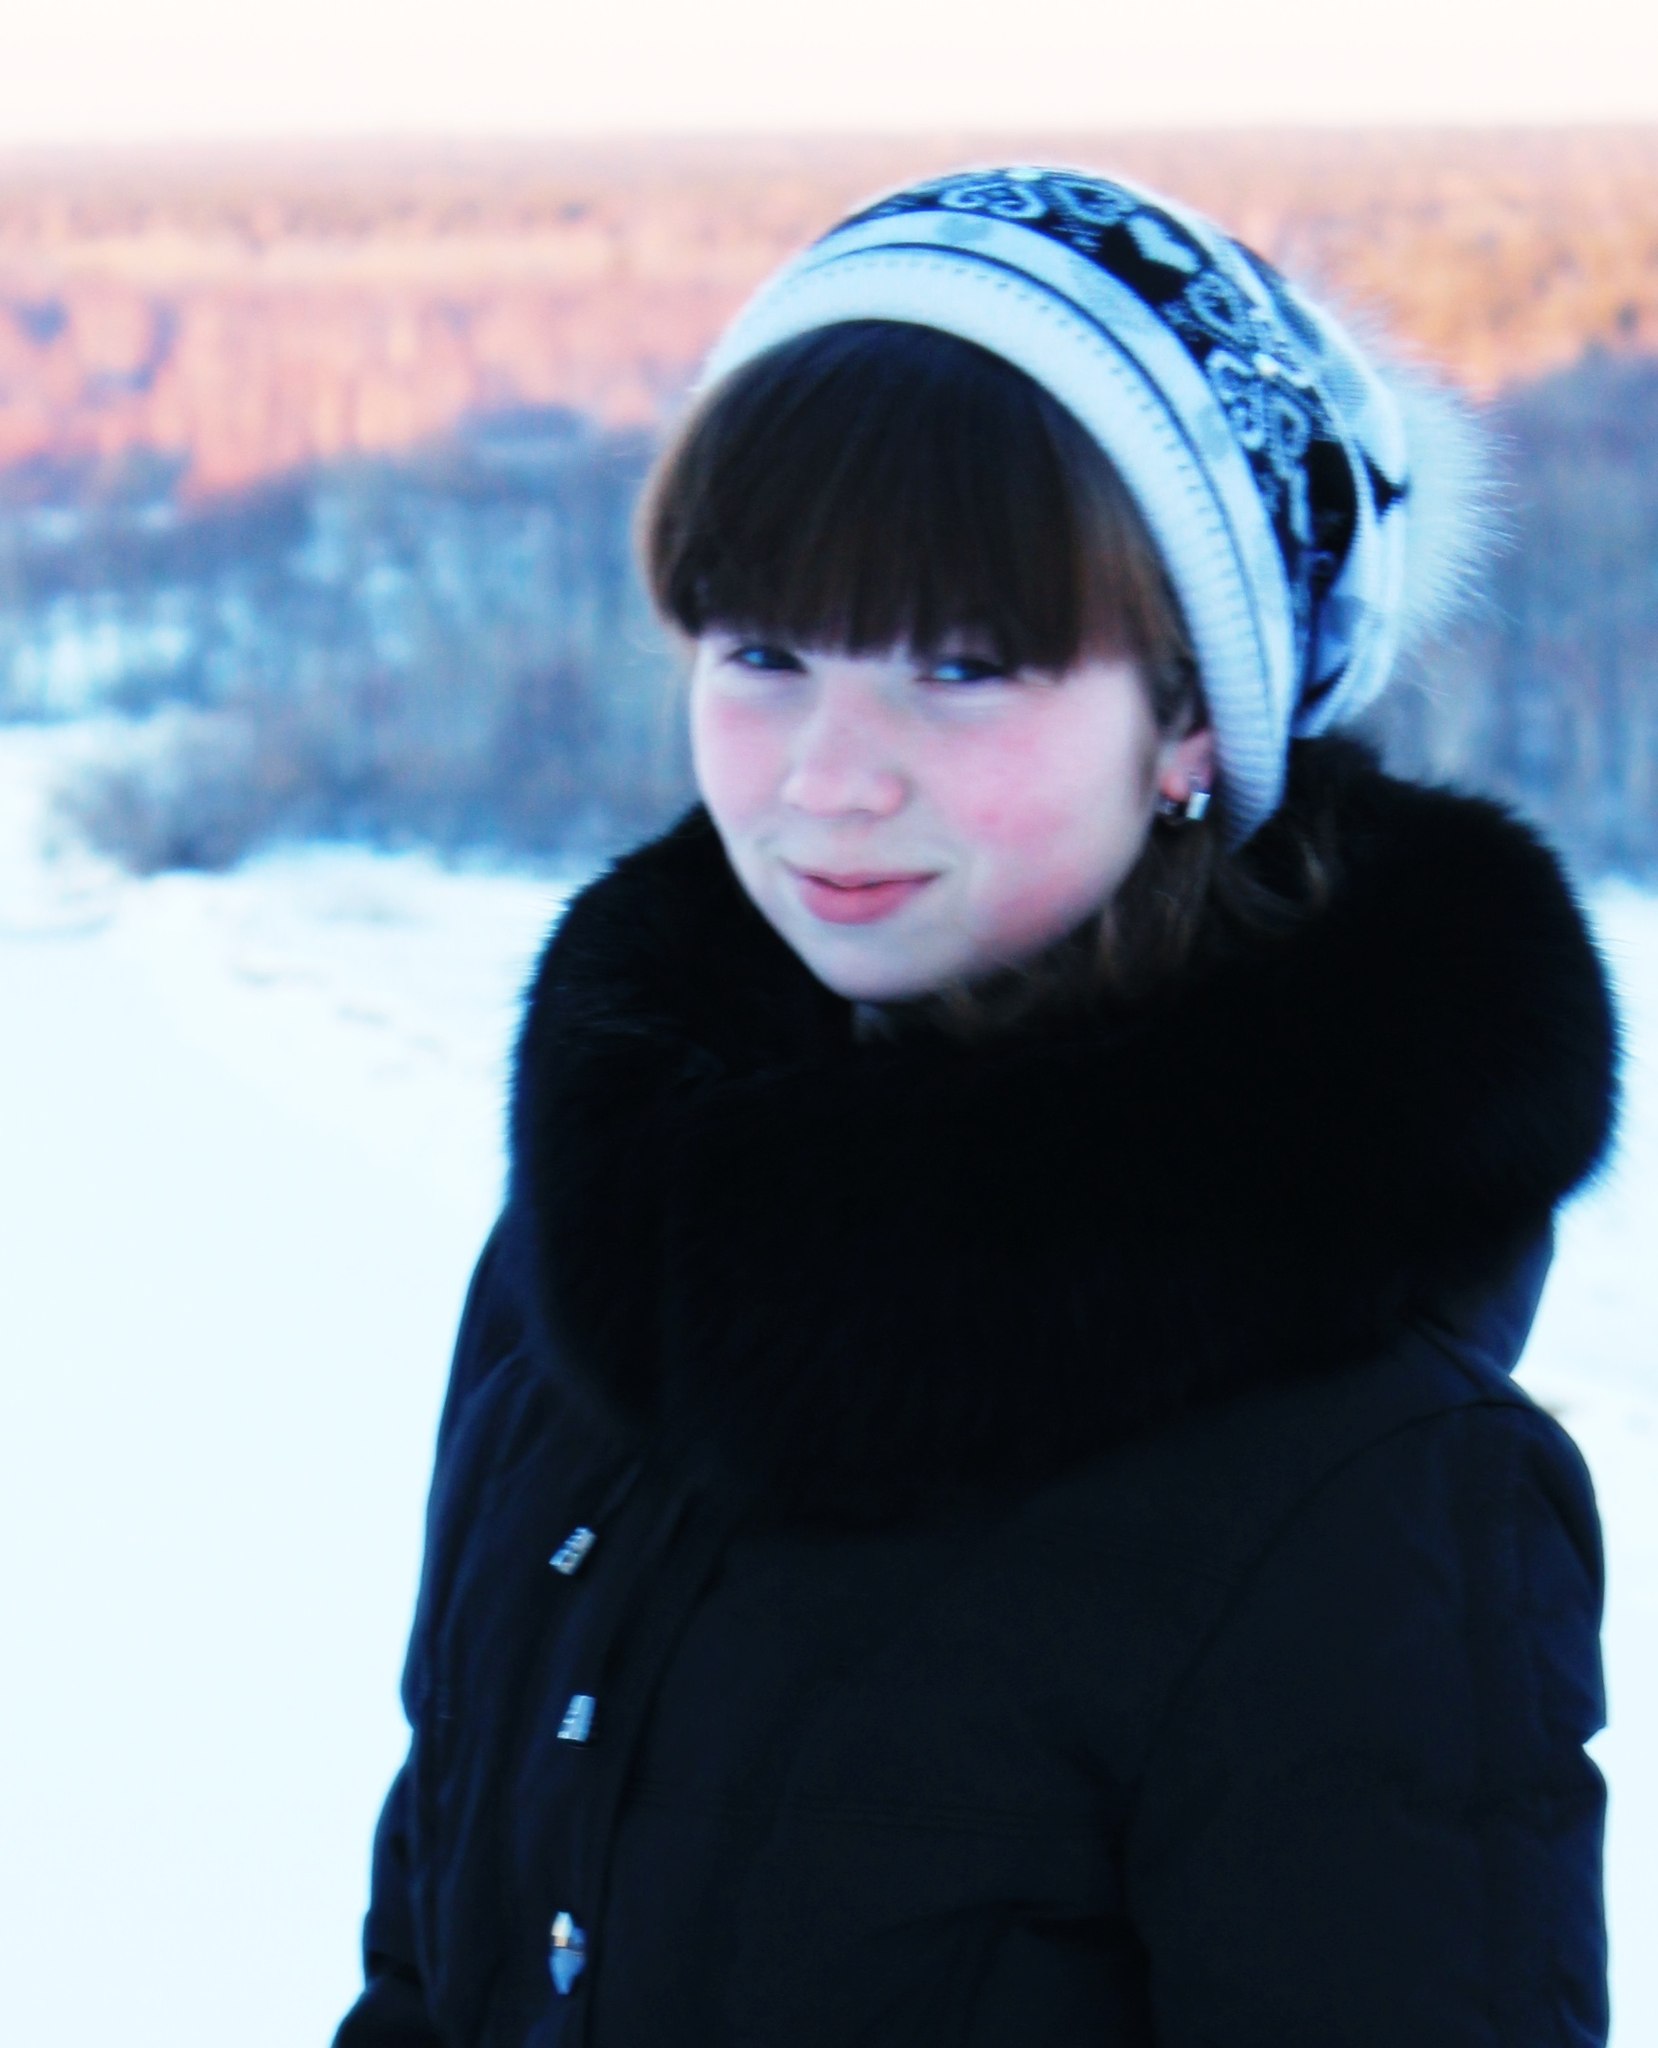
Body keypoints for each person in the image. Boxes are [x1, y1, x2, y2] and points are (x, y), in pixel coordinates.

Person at [333, 166, 1618, 2047]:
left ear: (1191, 721)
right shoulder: (606, 1252)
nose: (829, 780)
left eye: (960, 664)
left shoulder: (1364, 1490)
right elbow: (432, 1952)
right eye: (764, 654)